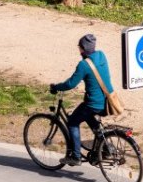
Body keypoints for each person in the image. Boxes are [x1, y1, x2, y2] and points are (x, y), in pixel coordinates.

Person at [49, 33, 114, 166]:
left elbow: (70, 84)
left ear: (83, 48)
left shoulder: (84, 65)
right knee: (88, 116)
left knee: (72, 121)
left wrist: (56, 87)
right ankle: (106, 147)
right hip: (107, 101)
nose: (79, 49)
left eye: (79, 47)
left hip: (94, 103)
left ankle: (76, 157)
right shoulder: (102, 55)